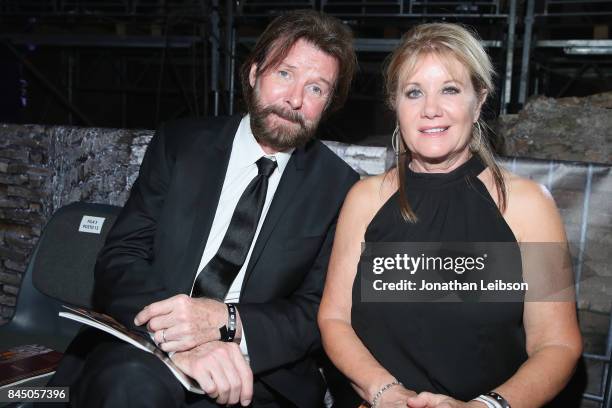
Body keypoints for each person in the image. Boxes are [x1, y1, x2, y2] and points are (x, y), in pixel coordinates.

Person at [49, 10, 359, 408]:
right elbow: (121, 256)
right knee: (130, 386)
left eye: (316, 89)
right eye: (284, 74)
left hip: (259, 373)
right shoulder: (180, 144)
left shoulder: (340, 188)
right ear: (253, 72)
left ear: (328, 103)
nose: (295, 99)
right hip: (148, 350)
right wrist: (178, 339)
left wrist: (227, 324)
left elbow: (316, 310)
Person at [318, 23, 582, 408]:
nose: (430, 110)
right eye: (414, 92)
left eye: (450, 89)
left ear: (479, 100)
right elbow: (334, 319)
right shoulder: (365, 201)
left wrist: (486, 406)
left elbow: (557, 343)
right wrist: (385, 393)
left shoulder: (528, 206)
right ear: (395, 104)